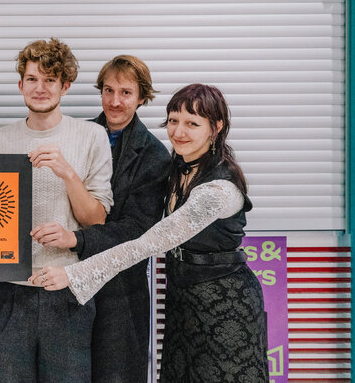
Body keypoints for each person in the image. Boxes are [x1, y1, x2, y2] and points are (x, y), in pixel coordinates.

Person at [32, 84, 270, 382]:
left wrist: (75, 274)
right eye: (173, 121)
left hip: (225, 303)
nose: (179, 132)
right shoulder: (179, 167)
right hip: (183, 299)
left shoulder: (219, 188)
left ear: (216, 127)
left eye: (192, 123)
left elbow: (150, 242)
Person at [0, 38, 113, 382]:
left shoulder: (91, 135)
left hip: (68, 288)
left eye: (50, 80)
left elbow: (96, 220)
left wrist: (67, 172)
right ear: (20, 84)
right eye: (32, 79)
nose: (40, 88)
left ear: (65, 86)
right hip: (7, 291)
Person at [32, 55, 170, 382]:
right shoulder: (76, 135)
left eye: (125, 93)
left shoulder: (153, 156)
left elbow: (137, 232)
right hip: (66, 285)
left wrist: (76, 238)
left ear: (142, 97)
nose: (115, 101)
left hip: (119, 292)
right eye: (108, 90)